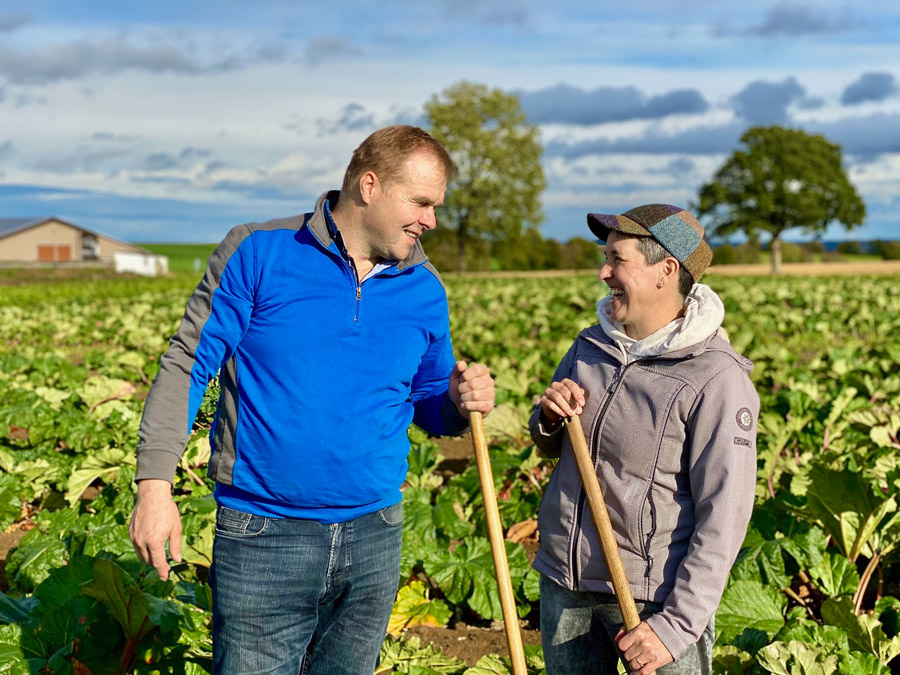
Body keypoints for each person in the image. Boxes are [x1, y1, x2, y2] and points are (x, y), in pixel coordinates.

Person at [129, 125, 495, 675]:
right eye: (421, 203)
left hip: (376, 533)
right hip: (264, 535)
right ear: (369, 186)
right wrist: (154, 486)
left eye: (436, 206)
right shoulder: (258, 252)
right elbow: (188, 362)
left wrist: (461, 402)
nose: (431, 221)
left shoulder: (425, 287)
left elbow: (428, 402)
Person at [530, 204, 758, 674]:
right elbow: (549, 444)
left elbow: (726, 517)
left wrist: (676, 627)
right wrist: (550, 417)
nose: (603, 271)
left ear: (666, 270)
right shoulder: (590, 346)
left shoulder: (717, 378)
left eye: (618, 259)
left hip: (653, 602)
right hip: (565, 583)